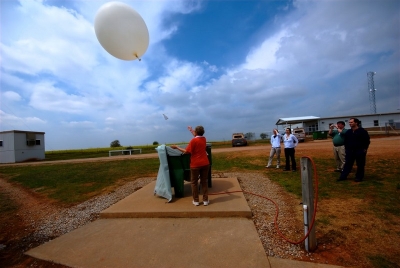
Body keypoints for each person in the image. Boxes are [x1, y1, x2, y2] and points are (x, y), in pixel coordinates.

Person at [171, 126, 210, 206]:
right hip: (205, 163)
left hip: (195, 165)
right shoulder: (204, 139)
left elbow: (187, 151)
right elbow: (197, 136)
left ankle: (196, 201)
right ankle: (205, 200)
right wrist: (191, 130)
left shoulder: (193, 141)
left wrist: (176, 147)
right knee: (204, 182)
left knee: (194, 183)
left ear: (196, 132)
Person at [338, 118, 370, 182]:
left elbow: (367, 141)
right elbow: (346, 141)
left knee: (360, 164)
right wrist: (347, 149)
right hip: (350, 151)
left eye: (351, 122)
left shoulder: (362, 131)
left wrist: (364, 149)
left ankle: (359, 177)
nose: (350, 124)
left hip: (359, 151)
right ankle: (343, 176)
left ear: (356, 123)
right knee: (348, 164)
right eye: (349, 122)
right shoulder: (349, 132)